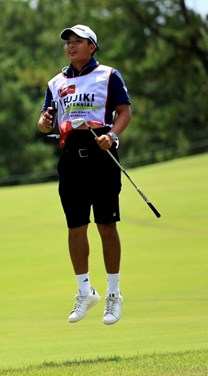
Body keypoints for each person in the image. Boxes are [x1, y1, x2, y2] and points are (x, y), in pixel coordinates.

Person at [38, 25, 132, 325]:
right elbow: (45, 123)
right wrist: (44, 121)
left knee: (106, 224)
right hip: (70, 159)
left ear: (93, 46)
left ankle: (114, 294)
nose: (71, 46)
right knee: (75, 226)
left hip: (101, 153)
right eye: (68, 42)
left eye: (78, 41)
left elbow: (124, 112)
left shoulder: (108, 75)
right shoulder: (56, 82)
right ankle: (84, 291)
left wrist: (113, 137)